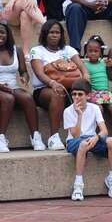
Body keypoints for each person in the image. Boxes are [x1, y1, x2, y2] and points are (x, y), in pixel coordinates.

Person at [0, 21, 46, 152]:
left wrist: (24, 78)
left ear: (7, 34)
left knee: (27, 98)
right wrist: (0, 86)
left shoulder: (17, 50)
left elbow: (23, 71)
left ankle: (35, 135)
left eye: (2, 32)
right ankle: (1, 137)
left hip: (12, 87)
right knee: (8, 98)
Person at [29, 19, 89, 150]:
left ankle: (85, 135)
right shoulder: (37, 50)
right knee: (58, 92)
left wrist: (85, 78)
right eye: (51, 32)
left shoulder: (68, 49)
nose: (54, 35)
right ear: (45, 34)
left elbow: (83, 68)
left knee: (82, 95)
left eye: (57, 32)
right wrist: (53, 83)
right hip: (44, 90)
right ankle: (54, 137)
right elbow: (39, 73)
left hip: (70, 89)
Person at [63, 79, 112, 202]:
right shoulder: (68, 111)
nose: (76, 97)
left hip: (92, 139)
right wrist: (79, 116)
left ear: (88, 96)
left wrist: (97, 137)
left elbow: (104, 131)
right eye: (74, 94)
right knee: (83, 144)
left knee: (111, 141)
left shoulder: (94, 108)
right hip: (74, 141)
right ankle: (78, 185)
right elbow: (76, 135)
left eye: (80, 94)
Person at [82, 35, 112, 138]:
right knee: (98, 109)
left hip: (105, 93)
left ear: (101, 52)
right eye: (90, 51)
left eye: (96, 51)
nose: (93, 53)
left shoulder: (104, 63)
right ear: (86, 51)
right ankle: (99, 135)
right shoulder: (84, 64)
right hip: (93, 93)